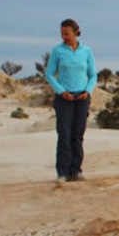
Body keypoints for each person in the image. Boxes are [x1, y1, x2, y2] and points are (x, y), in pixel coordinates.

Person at [46, 18, 97, 183]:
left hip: (82, 98)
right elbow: (49, 74)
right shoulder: (57, 51)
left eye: (67, 33)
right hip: (64, 98)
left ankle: (76, 170)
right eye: (62, 33)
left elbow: (93, 75)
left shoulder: (86, 51)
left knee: (77, 135)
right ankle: (62, 172)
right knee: (64, 135)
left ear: (75, 33)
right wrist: (61, 91)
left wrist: (87, 91)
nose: (64, 36)